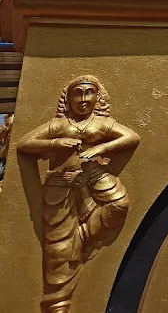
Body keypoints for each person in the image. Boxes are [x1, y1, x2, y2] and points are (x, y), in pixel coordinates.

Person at [17, 76, 139, 313]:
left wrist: (101, 148)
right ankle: (57, 304)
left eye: (89, 93)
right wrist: (55, 144)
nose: (83, 99)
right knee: (57, 251)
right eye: (77, 94)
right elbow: (24, 144)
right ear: (68, 99)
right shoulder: (59, 125)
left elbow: (131, 137)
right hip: (60, 185)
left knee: (119, 204)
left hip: (93, 177)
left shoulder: (102, 123)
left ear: (97, 97)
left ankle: (81, 237)